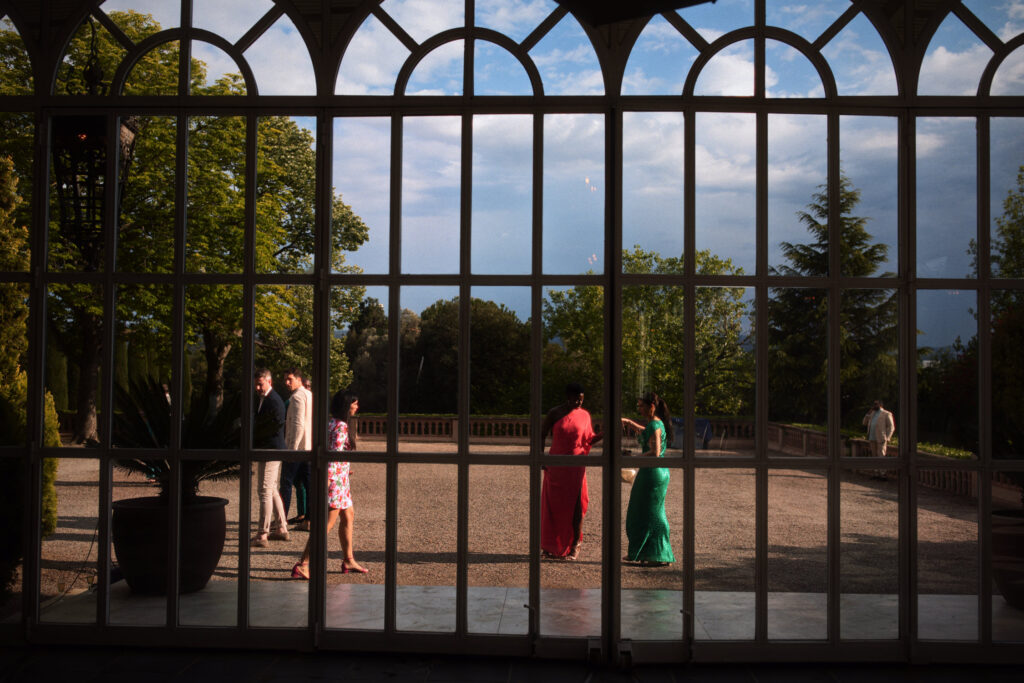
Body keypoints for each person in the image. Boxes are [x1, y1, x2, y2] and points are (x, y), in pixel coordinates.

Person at [291, 390, 368, 579]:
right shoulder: (341, 426)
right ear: (346, 405)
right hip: (335, 481)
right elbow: (332, 455)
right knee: (326, 524)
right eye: (355, 403)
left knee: (348, 516)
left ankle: (348, 559)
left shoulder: (331, 423)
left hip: (339, 479)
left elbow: (334, 453)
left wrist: (343, 468)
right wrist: (329, 478)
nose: (357, 406)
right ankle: (303, 564)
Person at [540, 383, 603, 561]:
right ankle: (550, 546)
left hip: (576, 465)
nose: (579, 403)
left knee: (577, 505)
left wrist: (607, 432)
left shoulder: (584, 415)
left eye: (582, 399)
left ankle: (575, 545)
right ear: (568, 396)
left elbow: (589, 439)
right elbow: (541, 433)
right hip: (556, 465)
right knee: (553, 506)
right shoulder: (555, 413)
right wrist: (540, 457)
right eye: (576, 399)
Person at [620, 392, 675, 566]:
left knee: (642, 512)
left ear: (651, 406)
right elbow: (648, 432)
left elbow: (656, 452)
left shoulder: (654, 425)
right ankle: (654, 552)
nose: (639, 409)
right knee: (650, 511)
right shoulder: (657, 423)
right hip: (658, 473)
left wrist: (634, 458)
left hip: (651, 473)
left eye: (641, 406)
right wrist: (629, 423)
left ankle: (655, 553)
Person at [251, 368, 290, 548]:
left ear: (269, 382)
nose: (258, 387)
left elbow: (272, 429)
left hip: (271, 450)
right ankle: (281, 528)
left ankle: (262, 534)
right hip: (270, 449)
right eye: (256, 384)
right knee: (271, 489)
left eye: (260, 384)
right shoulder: (268, 399)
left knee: (264, 491)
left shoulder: (273, 401)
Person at [279, 368, 313, 532]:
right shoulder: (310, 395)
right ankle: (309, 519)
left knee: (285, 484)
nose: (286, 383)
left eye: (290, 379)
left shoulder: (297, 397)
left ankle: (281, 522)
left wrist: (291, 451)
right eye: (285, 379)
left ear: (299, 380)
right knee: (308, 484)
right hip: (308, 448)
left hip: (298, 449)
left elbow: (297, 425)